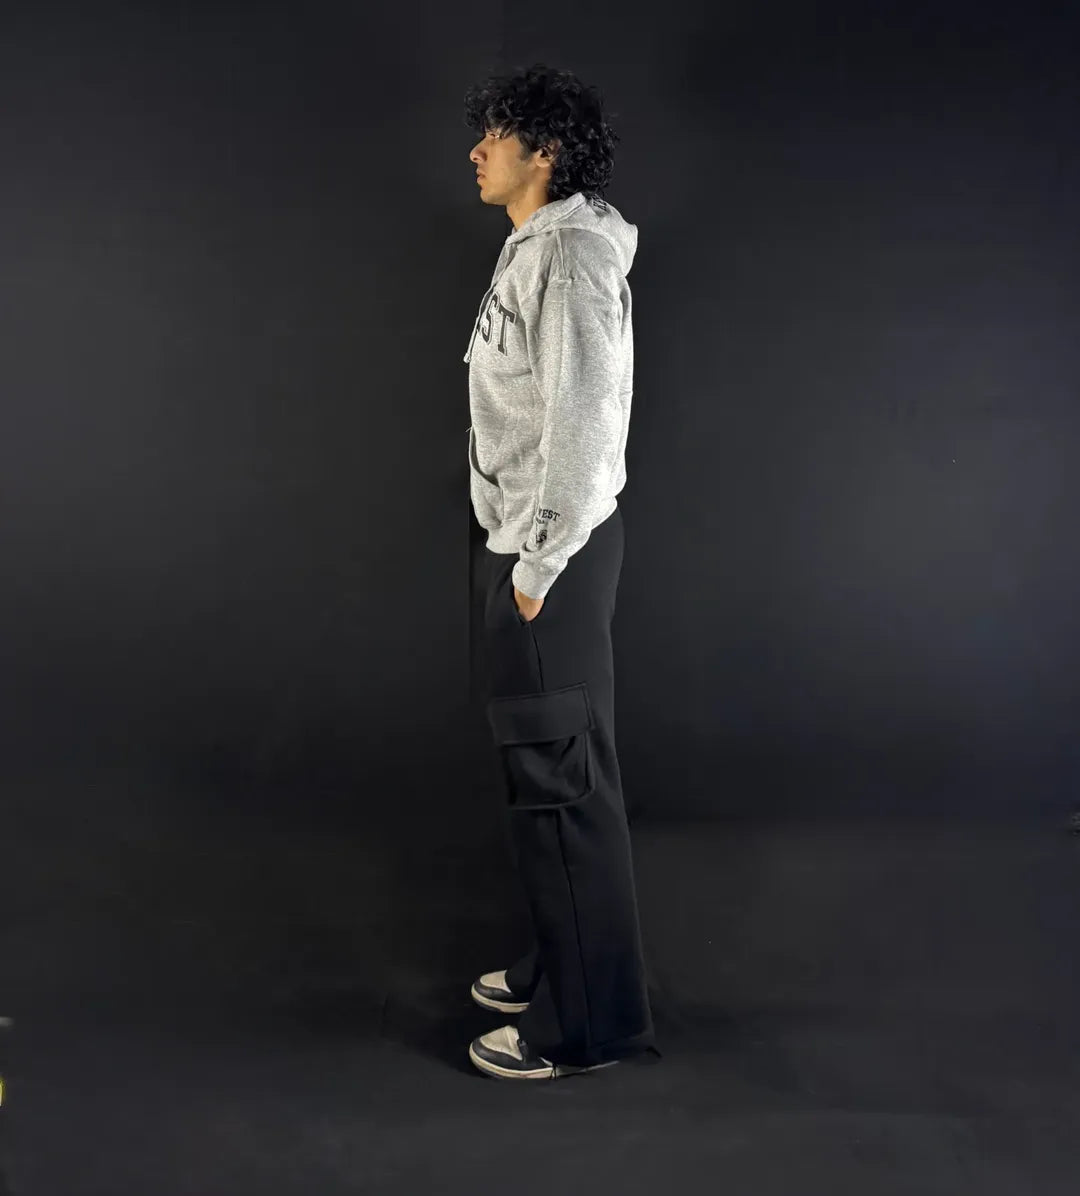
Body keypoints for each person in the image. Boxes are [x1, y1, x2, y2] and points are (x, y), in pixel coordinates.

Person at [460, 62, 661, 1081]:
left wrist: (537, 565)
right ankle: (561, 959)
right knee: (541, 769)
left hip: (553, 554)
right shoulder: (534, 246)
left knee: (563, 776)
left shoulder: (572, 257)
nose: (475, 150)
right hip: (521, 542)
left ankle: (588, 1025)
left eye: (495, 134)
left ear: (544, 151)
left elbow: (586, 430)